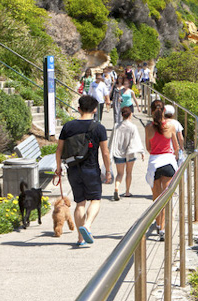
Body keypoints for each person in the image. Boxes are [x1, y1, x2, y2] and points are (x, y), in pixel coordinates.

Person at [54, 95, 112, 247]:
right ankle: (87, 225)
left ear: (78, 109)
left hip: (73, 169)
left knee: (80, 203)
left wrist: (58, 167)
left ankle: (80, 239)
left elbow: (59, 149)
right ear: (94, 110)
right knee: (95, 199)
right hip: (91, 169)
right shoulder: (98, 127)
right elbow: (105, 152)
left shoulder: (68, 126)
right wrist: (108, 171)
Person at [145, 104, 180, 241]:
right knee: (166, 198)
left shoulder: (148, 128)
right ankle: (163, 229)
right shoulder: (171, 127)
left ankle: (159, 224)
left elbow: (148, 147)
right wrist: (174, 155)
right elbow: (176, 146)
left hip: (154, 163)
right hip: (168, 162)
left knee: (156, 197)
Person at [111, 106, 145, 200]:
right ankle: (127, 191)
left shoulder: (116, 126)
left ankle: (116, 188)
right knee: (129, 172)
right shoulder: (133, 127)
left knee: (120, 173)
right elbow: (136, 140)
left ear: (122, 115)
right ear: (130, 114)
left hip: (118, 153)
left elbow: (112, 140)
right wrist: (141, 151)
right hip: (130, 153)